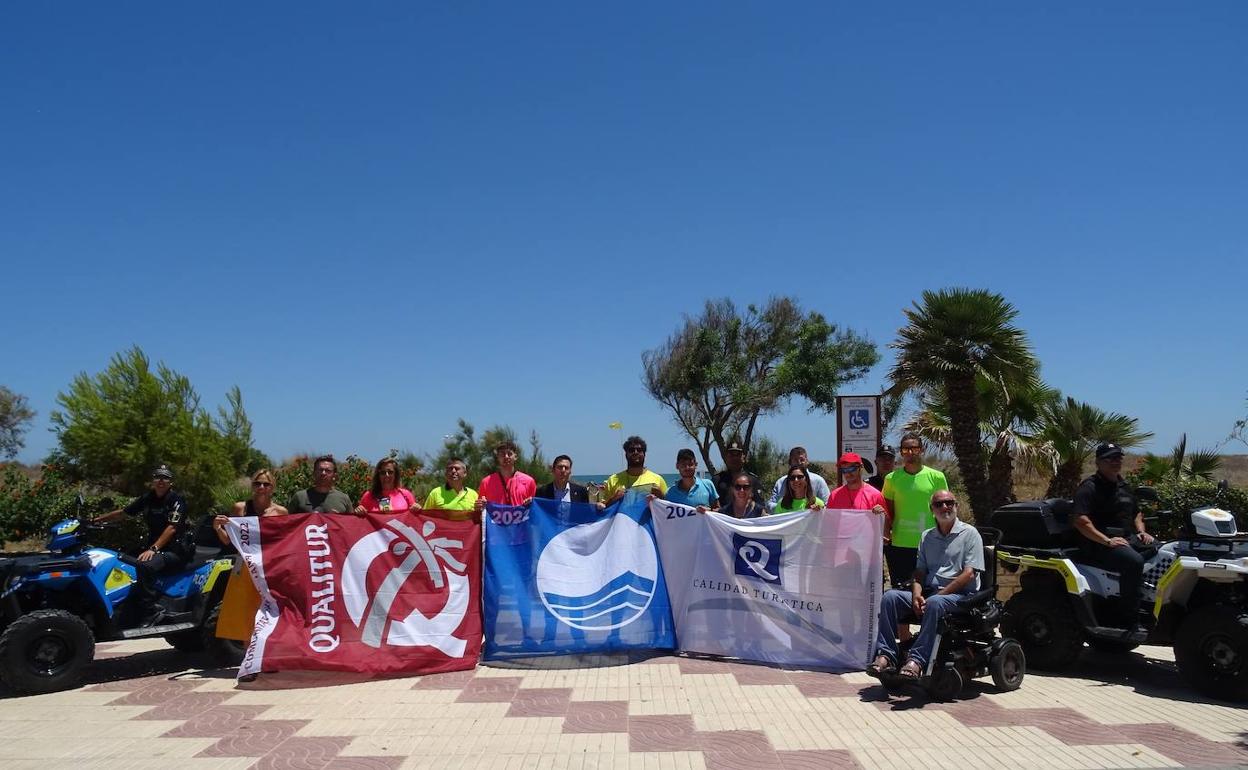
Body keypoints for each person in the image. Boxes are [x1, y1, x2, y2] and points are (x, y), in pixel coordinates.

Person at [868, 491, 984, 681]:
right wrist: (916, 595)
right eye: (939, 504)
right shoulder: (926, 536)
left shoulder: (970, 534)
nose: (945, 507)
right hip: (931, 593)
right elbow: (920, 572)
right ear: (932, 510)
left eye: (949, 503)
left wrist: (936, 596)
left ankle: (917, 660)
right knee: (890, 597)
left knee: (935, 603)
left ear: (956, 506)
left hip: (961, 596)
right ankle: (886, 654)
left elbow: (969, 574)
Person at [1071, 442, 1155, 630]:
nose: (1115, 462)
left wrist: (1141, 532)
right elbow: (1080, 520)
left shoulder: (1123, 486)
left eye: (1118, 458)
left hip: (1126, 539)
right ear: (1098, 462)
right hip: (1098, 544)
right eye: (1110, 458)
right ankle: (1128, 618)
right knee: (1133, 562)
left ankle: (1151, 603)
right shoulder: (1090, 487)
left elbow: (1136, 513)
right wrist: (1107, 541)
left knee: (1162, 551)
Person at [93, 464, 191, 625]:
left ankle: (150, 610)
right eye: (158, 477)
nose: (161, 480)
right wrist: (97, 520)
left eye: (165, 477)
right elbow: (124, 513)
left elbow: (172, 528)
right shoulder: (148, 498)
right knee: (122, 558)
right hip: (154, 547)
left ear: (170, 482)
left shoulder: (176, 501)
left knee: (145, 566)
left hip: (174, 550)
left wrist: (153, 548)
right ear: (153, 481)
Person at [212, 469, 286, 657]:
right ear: (252, 486)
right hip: (244, 566)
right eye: (257, 483)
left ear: (273, 488)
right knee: (246, 612)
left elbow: (285, 541)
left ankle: (267, 656)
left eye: (266, 484)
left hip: (269, 568)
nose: (261, 487)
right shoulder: (240, 508)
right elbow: (228, 540)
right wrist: (217, 527)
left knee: (270, 610)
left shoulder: (280, 512)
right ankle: (250, 658)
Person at [881, 434, 949, 589]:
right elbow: (888, 511)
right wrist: (886, 533)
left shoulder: (937, 477)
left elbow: (945, 511)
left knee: (930, 588)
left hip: (930, 543)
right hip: (900, 544)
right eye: (906, 449)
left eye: (914, 449)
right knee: (901, 589)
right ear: (901, 452)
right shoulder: (892, 478)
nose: (910, 453)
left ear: (921, 450)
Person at [602, 436, 668, 504]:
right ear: (626, 454)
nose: (635, 452)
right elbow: (604, 510)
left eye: (639, 450)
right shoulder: (613, 480)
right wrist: (614, 499)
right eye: (631, 450)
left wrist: (661, 497)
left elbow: (669, 509)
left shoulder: (658, 480)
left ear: (644, 454)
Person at [475, 440, 537, 511]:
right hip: (495, 521)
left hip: (521, 521)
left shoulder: (529, 481)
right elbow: (479, 510)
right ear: (498, 457)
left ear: (515, 457)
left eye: (509, 454)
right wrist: (478, 506)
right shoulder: (486, 482)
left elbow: (535, 508)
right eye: (502, 454)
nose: (506, 457)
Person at [767, 447, 830, 511]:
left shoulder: (818, 481)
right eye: (795, 460)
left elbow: (827, 505)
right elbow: (771, 504)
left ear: (807, 461)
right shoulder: (780, 482)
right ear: (790, 462)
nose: (799, 462)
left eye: (802, 460)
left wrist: (818, 509)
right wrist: (786, 508)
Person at [287, 455, 354, 513]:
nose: (323, 473)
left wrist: (338, 518)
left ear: (334, 476)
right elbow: (288, 523)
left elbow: (351, 524)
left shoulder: (344, 499)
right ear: (314, 473)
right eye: (320, 470)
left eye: (328, 470)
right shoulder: (300, 497)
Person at [713, 441, 764, 508]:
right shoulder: (717, 480)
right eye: (731, 455)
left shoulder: (753, 480)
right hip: (722, 517)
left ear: (744, 457)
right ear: (726, 457)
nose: (735, 458)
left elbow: (761, 506)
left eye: (738, 455)